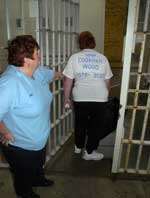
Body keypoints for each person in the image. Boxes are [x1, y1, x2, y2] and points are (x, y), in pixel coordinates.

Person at [0, 35, 61, 198]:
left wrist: (69, 75)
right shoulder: (9, 84)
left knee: (37, 165)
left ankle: (38, 179)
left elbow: (54, 75)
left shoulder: (37, 72)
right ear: (27, 59)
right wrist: (4, 131)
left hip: (39, 138)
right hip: (20, 146)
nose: (40, 55)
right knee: (22, 176)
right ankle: (25, 193)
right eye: (37, 53)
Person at [63, 31, 113, 161]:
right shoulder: (103, 58)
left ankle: (78, 147)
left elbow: (68, 81)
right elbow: (108, 81)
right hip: (100, 97)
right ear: (93, 42)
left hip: (80, 97)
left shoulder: (74, 58)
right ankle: (90, 152)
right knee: (96, 126)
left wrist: (66, 98)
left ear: (80, 43)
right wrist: (106, 96)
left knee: (80, 123)